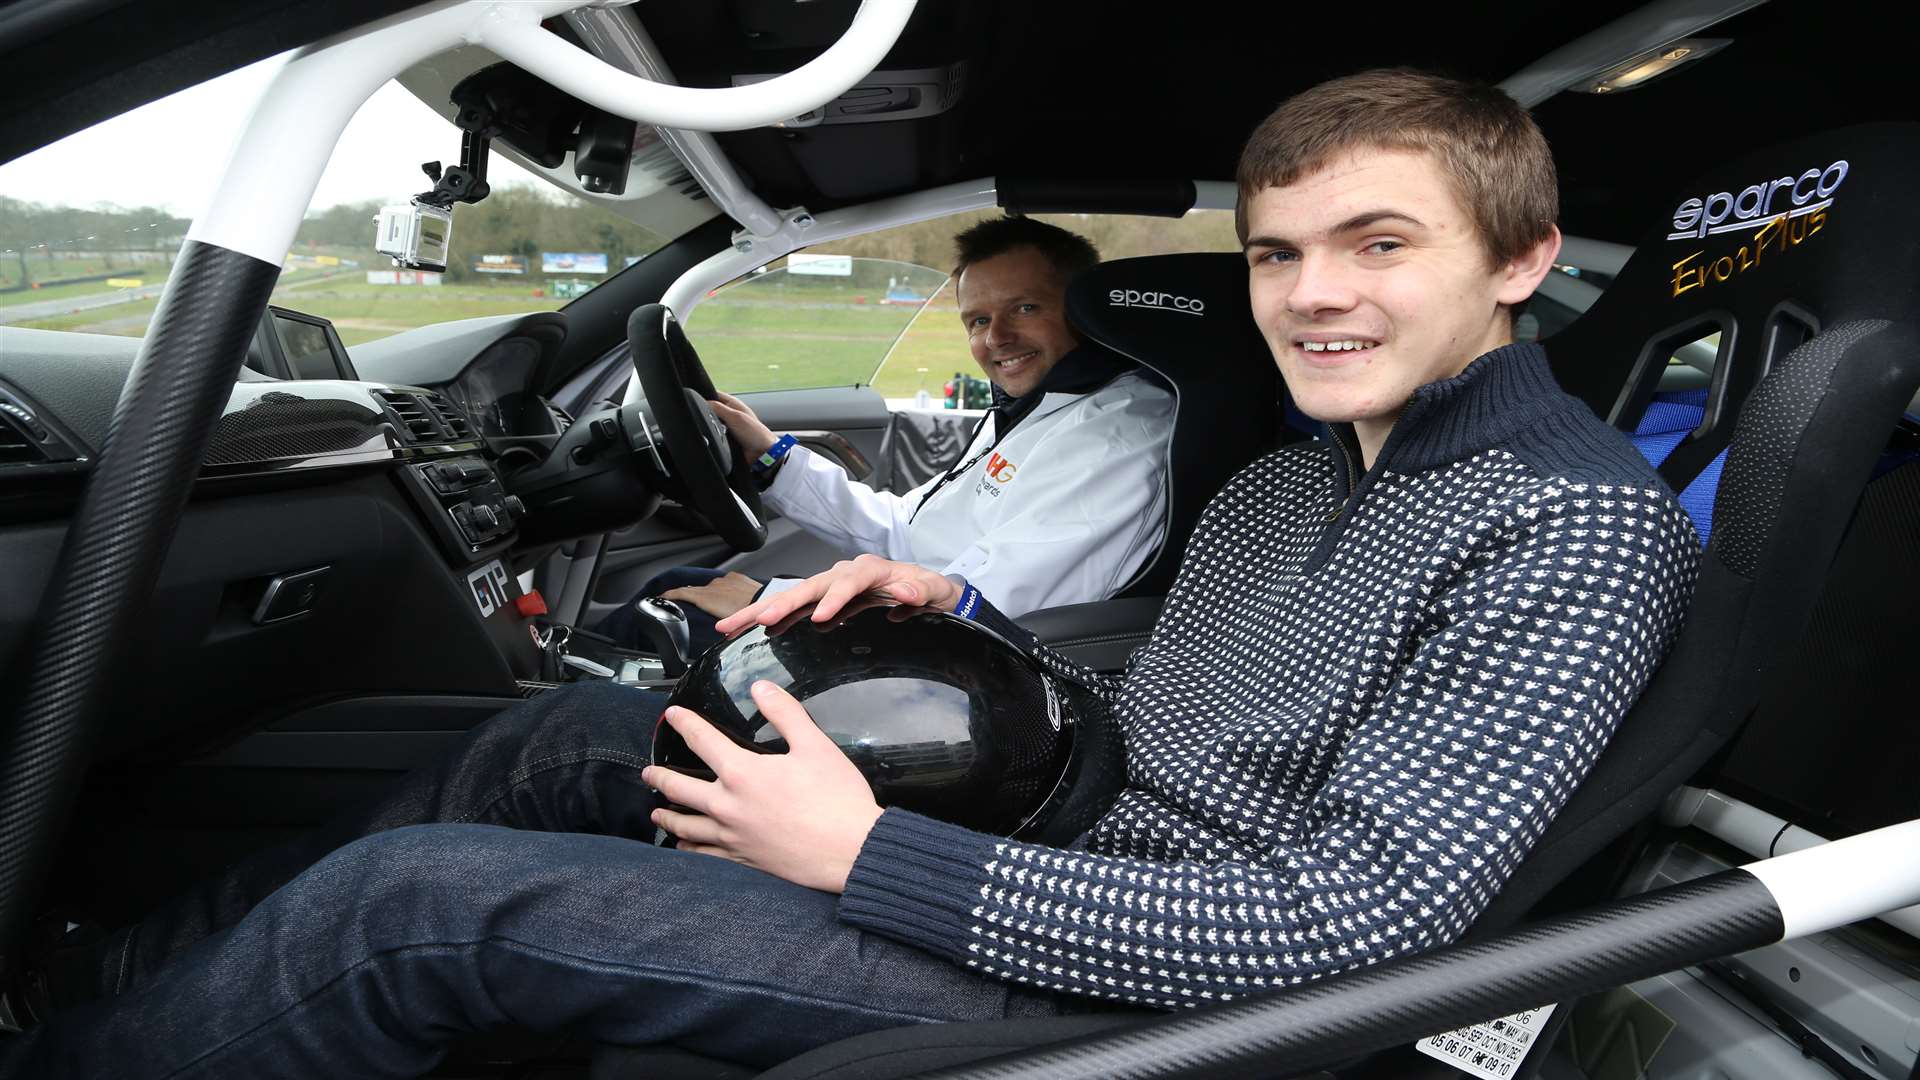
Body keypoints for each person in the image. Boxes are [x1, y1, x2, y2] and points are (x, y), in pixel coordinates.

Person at [0, 69, 1701, 1078]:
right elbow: (1146, 731)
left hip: (1128, 985)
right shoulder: (1279, 485)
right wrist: (955, 622)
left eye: (1381, 245)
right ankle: (119, 990)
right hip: (1068, 846)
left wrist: (868, 858)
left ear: (1522, 262)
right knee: (581, 746)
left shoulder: (1568, 527)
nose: (1313, 296)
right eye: (1282, 253)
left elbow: (1360, 925)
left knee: (420, 907)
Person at [595, 217, 1176, 655]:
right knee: (678, 588)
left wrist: (767, 602)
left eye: (1024, 307)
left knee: (670, 607)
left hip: (958, 658)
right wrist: (770, 455)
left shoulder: (1118, 434)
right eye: (977, 320)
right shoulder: (1042, 405)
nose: (996, 336)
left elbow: (985, 604)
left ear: (1085, 310)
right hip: (921, 619)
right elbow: (908, 531)